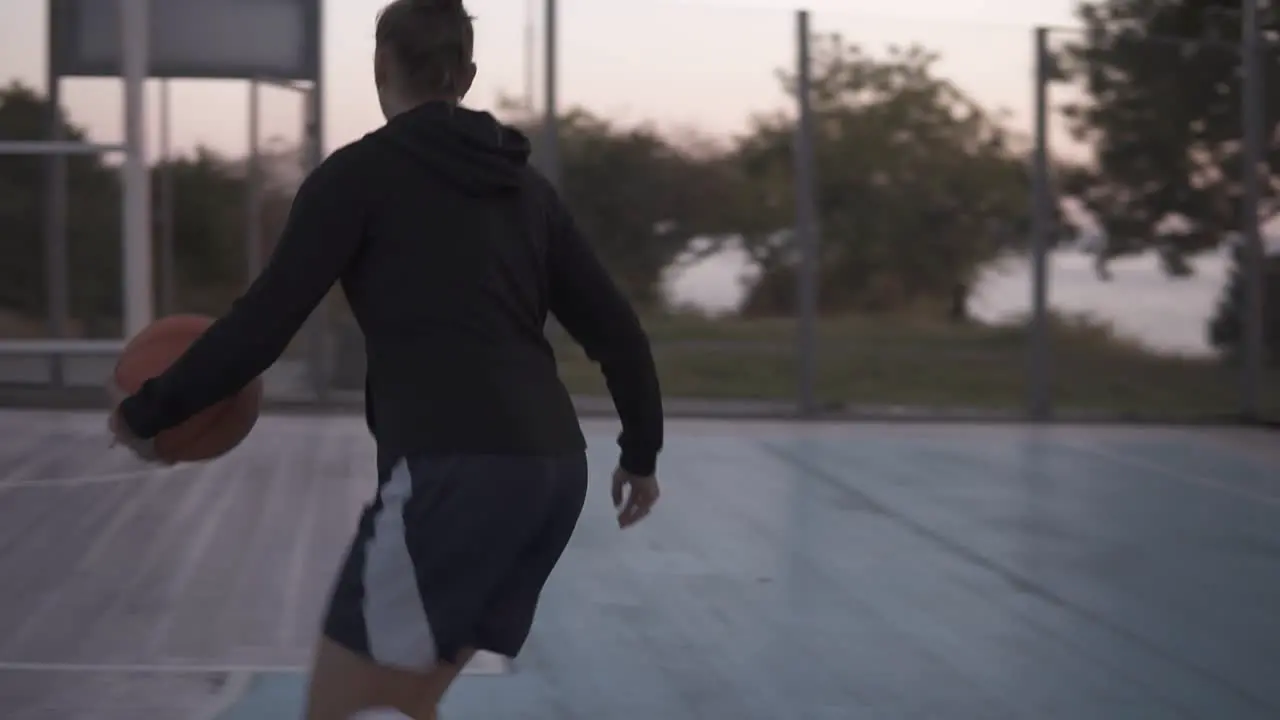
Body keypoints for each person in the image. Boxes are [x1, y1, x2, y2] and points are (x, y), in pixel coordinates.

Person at [106, 0, 664, 717]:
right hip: (552, 474)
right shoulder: (526, 190)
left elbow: (261, 327)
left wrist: (147, 415)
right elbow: (618, 330)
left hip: (453, 476)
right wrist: (641, 453)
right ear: (466, 73)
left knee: (343, 710)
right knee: (403, 701)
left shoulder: (359, 177)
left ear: (380, 65)